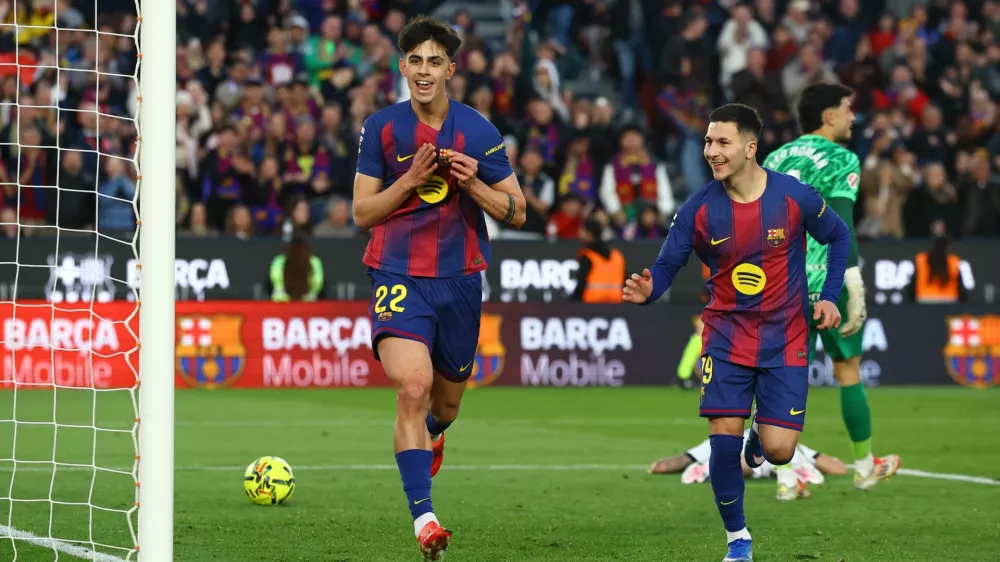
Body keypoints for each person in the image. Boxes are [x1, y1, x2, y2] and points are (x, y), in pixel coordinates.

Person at [622, 103, 850, 562]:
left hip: (786, 338)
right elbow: (666, 267)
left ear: (750, 147)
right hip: (726, 336)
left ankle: (760, 438)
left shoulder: (794, 197)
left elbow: (839, 235)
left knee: (780, 452)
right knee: (723, 442)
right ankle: (737, 540)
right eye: (708, 141)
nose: (712, 151)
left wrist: (829, 296)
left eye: (722, 142)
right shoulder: (698, 208)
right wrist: (649, 291)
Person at [351, 15, 526, 561]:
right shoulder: (382, 128)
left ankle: (434, 431)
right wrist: (408, 180)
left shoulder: (478, 131)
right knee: (412, 385)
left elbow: (518, 211)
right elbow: (362, 213)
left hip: (460, 283)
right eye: (415, 61)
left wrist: (473, 184)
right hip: (398, 276)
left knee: (445, 406)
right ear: (402, 67)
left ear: (451, 69)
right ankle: (425, 519)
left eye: (435, 61)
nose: (424, 71)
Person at [763, 82, 901, 491]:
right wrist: (852, 277)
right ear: (829, 116)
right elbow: (840, 223)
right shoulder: (841, 157)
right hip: (827, 279)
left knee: (783, 377)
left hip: (780, 281)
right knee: (847, 369)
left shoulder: (773, 158)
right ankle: (865, 467)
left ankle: (786, 478)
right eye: (846, 108)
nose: (852, 116)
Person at [648, 430, 848, 488]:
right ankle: (790, 471)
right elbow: (839, 469)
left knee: (738, 460)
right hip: (780, 455)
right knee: (766, 460)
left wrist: (661, 464)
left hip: (739, 454)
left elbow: (667, 465)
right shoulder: (790, 444)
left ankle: (712, 468)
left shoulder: (724, 437)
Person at [570, 217, 626, 303]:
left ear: (589, 234)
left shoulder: (588, 256)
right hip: (616, 305)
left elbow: (581, 285)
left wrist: (571, 303)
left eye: (582, 231)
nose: (580, 234)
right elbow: (625, 281)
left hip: (592, 305)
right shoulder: (617, 256)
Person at [269, 234, 324, 301]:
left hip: (282, 302)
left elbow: (275, 279)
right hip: (307, 302)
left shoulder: (279, 261)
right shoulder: (315, 262)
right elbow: (318, 283)